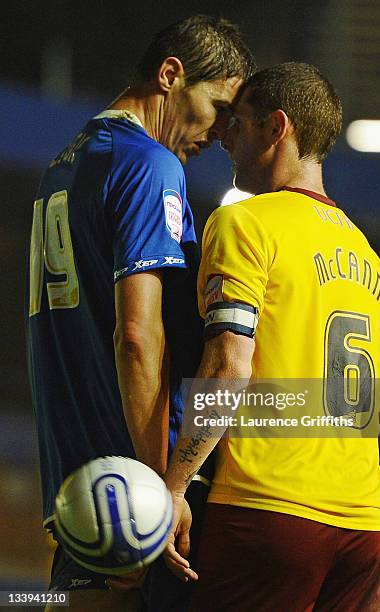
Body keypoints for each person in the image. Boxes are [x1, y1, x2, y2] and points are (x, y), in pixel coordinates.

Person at [25, 14, 255, 612]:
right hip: (133, 488)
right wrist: (160, 494)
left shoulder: (66, 164)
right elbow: (137, 336)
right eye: (219, 106)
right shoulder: (149, 164)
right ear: (170, 75)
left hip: (79, 482)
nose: (224, 130)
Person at [164, 62, 380, 611]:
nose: (224, 138)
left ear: (277, 128)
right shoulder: (370, 257)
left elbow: (229, 365)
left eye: (237, 124)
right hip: (366, 528)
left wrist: (174, 486)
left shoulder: (247, 223)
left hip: (269, 515)